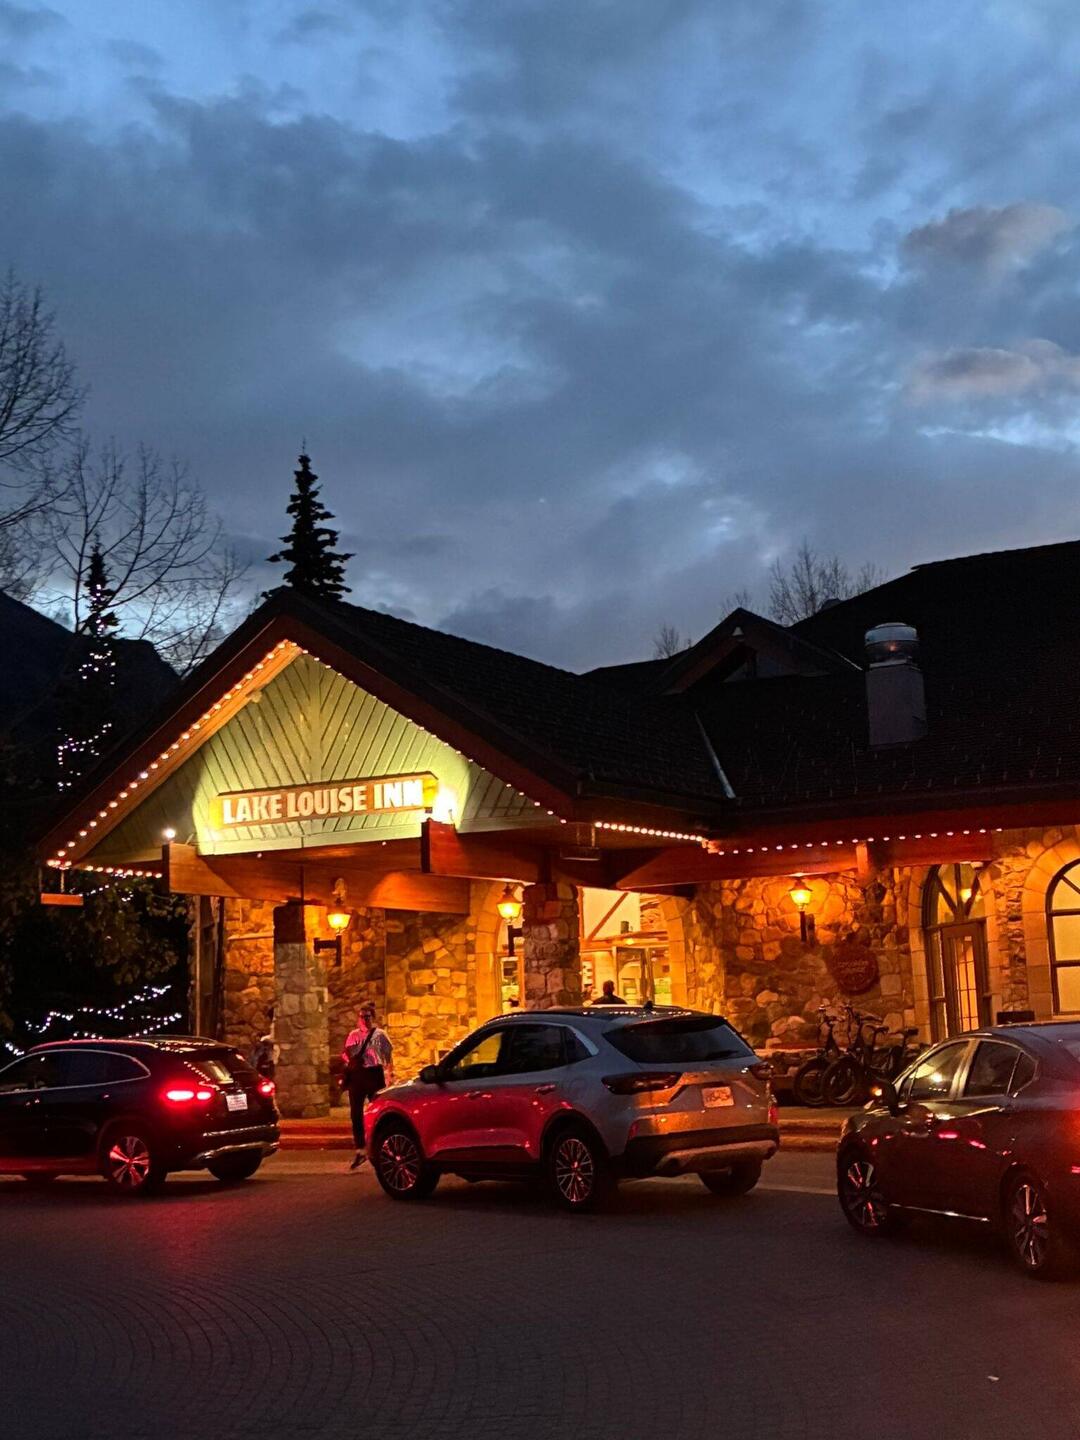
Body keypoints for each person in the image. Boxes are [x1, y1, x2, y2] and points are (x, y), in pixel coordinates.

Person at [342, 1002, 394, 1171]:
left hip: (374, 1074)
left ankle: (382, 1145)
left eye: (367, 1016)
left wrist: (389, 1074)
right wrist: (354, 1061)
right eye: (361, 1017)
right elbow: (346, 1054)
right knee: (356, 1113)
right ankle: (360, 1149)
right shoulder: (353, 1035)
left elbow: (388, 1055)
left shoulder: (380, 1035)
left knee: (378, 1110)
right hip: (358, 1076)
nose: (364, 1020)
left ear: (373, 1017)